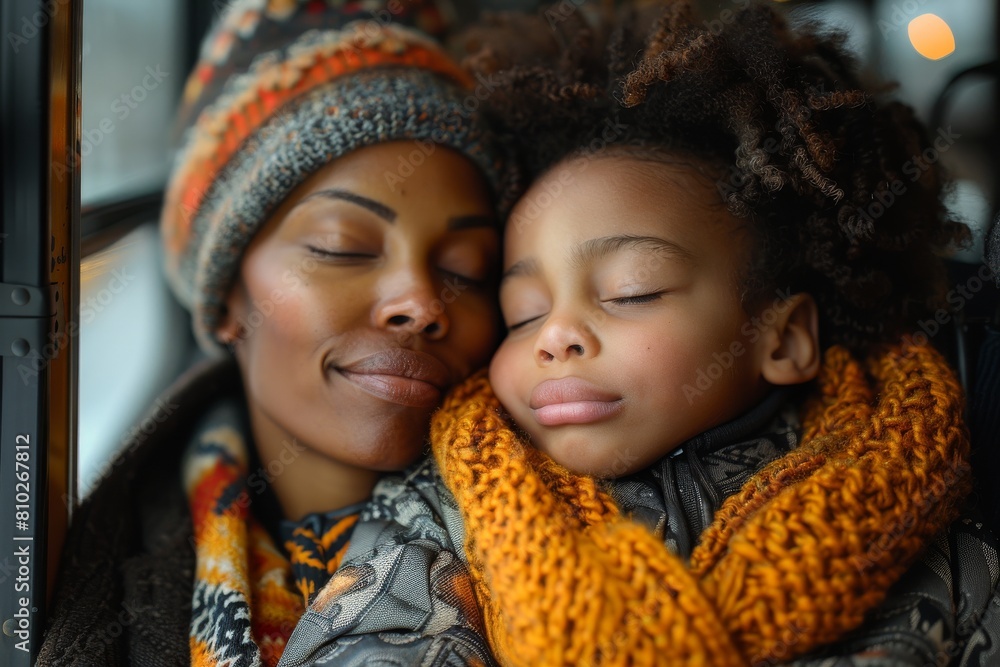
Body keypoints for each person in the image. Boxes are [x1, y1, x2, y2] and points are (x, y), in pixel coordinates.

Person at [280, 3, 1000, 666]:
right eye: (522, 312)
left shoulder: (913, 515)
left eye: (633, 291)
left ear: (782, 340)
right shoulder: (439, 516)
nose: (555, 334)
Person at [38, 1, 515, 665]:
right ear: (228, 296)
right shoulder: (95, 564)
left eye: (469, 268)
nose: (422, 300)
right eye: (342, 246)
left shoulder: (577, 533)